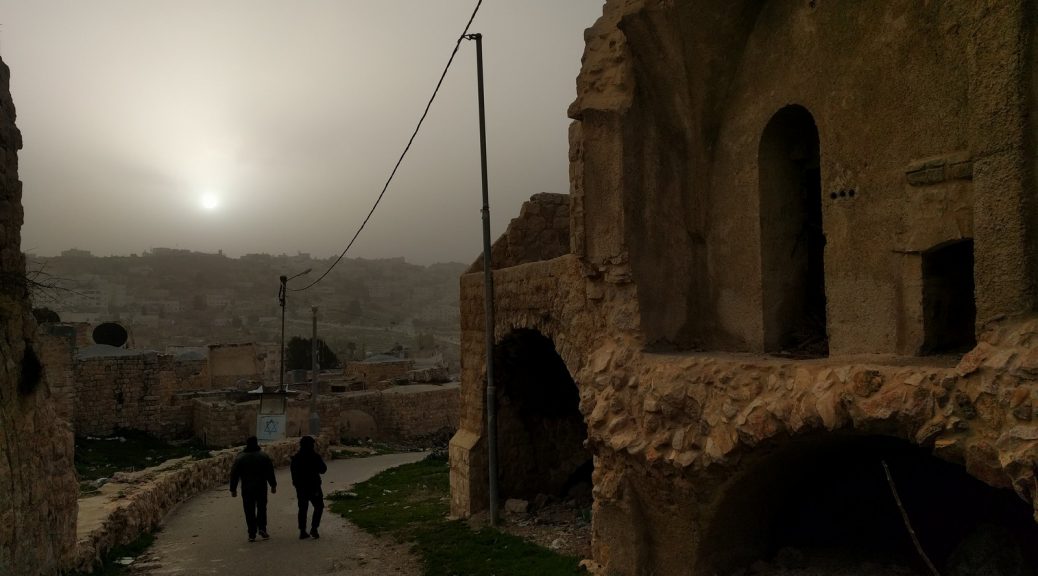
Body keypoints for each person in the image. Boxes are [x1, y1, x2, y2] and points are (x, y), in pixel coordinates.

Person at [229, 436, 277, 542]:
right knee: (261, 508)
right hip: (261, 487)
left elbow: (234, 474)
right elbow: (270, 472)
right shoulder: (263, 456)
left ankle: (251, 533)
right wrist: (273, 485)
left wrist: (233, 489)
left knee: (249, 510)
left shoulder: (240, 458)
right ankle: (262, 528)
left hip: (247, 488)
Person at [290, 435, 327, 539]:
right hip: (314, 486)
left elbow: (293, 472)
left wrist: (296, 483)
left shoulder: (296, 457)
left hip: (301, 487)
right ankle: (314, 528)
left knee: (302, 508)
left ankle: (302, 531)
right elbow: (323, 470)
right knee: (319, 506)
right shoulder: (315, 456)